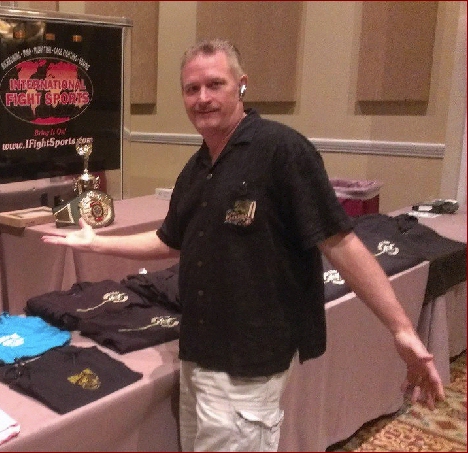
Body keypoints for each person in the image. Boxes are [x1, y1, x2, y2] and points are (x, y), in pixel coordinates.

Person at [41, 38, 444, 452]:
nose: (202, 98)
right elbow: (169, 240)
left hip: (248, 361)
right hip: (198, 350)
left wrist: (401, 329)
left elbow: (342, 244)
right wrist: (98, 243)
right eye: (191, 89)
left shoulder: (282, 151)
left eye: (215, 84)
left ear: (241, 85)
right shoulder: (197, 166)